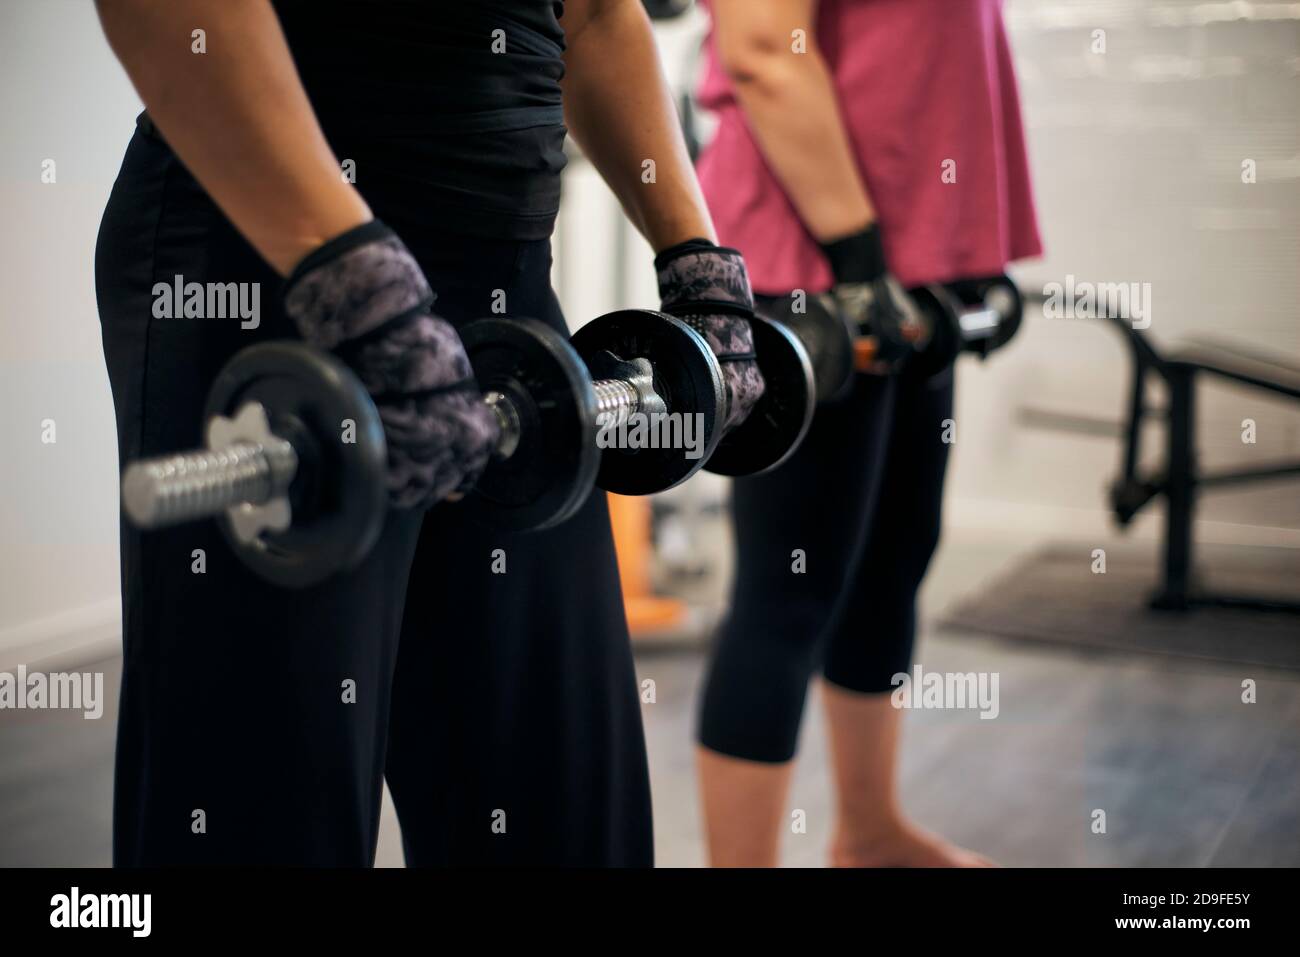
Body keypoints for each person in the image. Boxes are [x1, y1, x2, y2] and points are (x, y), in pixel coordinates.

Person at [94, 0, 765, 866]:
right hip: (272, 264)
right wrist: (358, 286)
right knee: (264, 817)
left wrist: (697, 261)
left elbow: (597, 13)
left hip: (505, 291)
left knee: (560, 818)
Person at [693, 0, 1043, 867]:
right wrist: (857, 264)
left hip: (907, 269)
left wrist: (964, 250)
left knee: (892, 561)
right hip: (817, 265)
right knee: (788, 594)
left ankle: (870, 831)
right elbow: (765, 48)